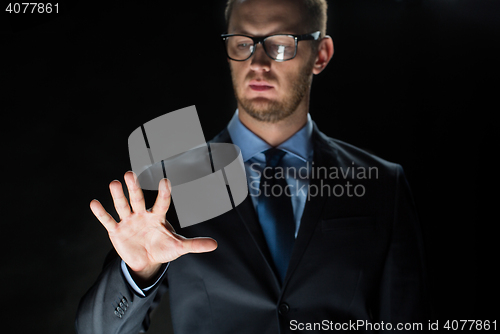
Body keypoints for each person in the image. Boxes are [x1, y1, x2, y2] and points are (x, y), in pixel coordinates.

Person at [76, 0, 429, 333]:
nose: (258, 62)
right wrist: (137, 275)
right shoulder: (174, 182)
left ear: (320, 55)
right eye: (243, 43)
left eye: (280, 43)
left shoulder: (382, 184)